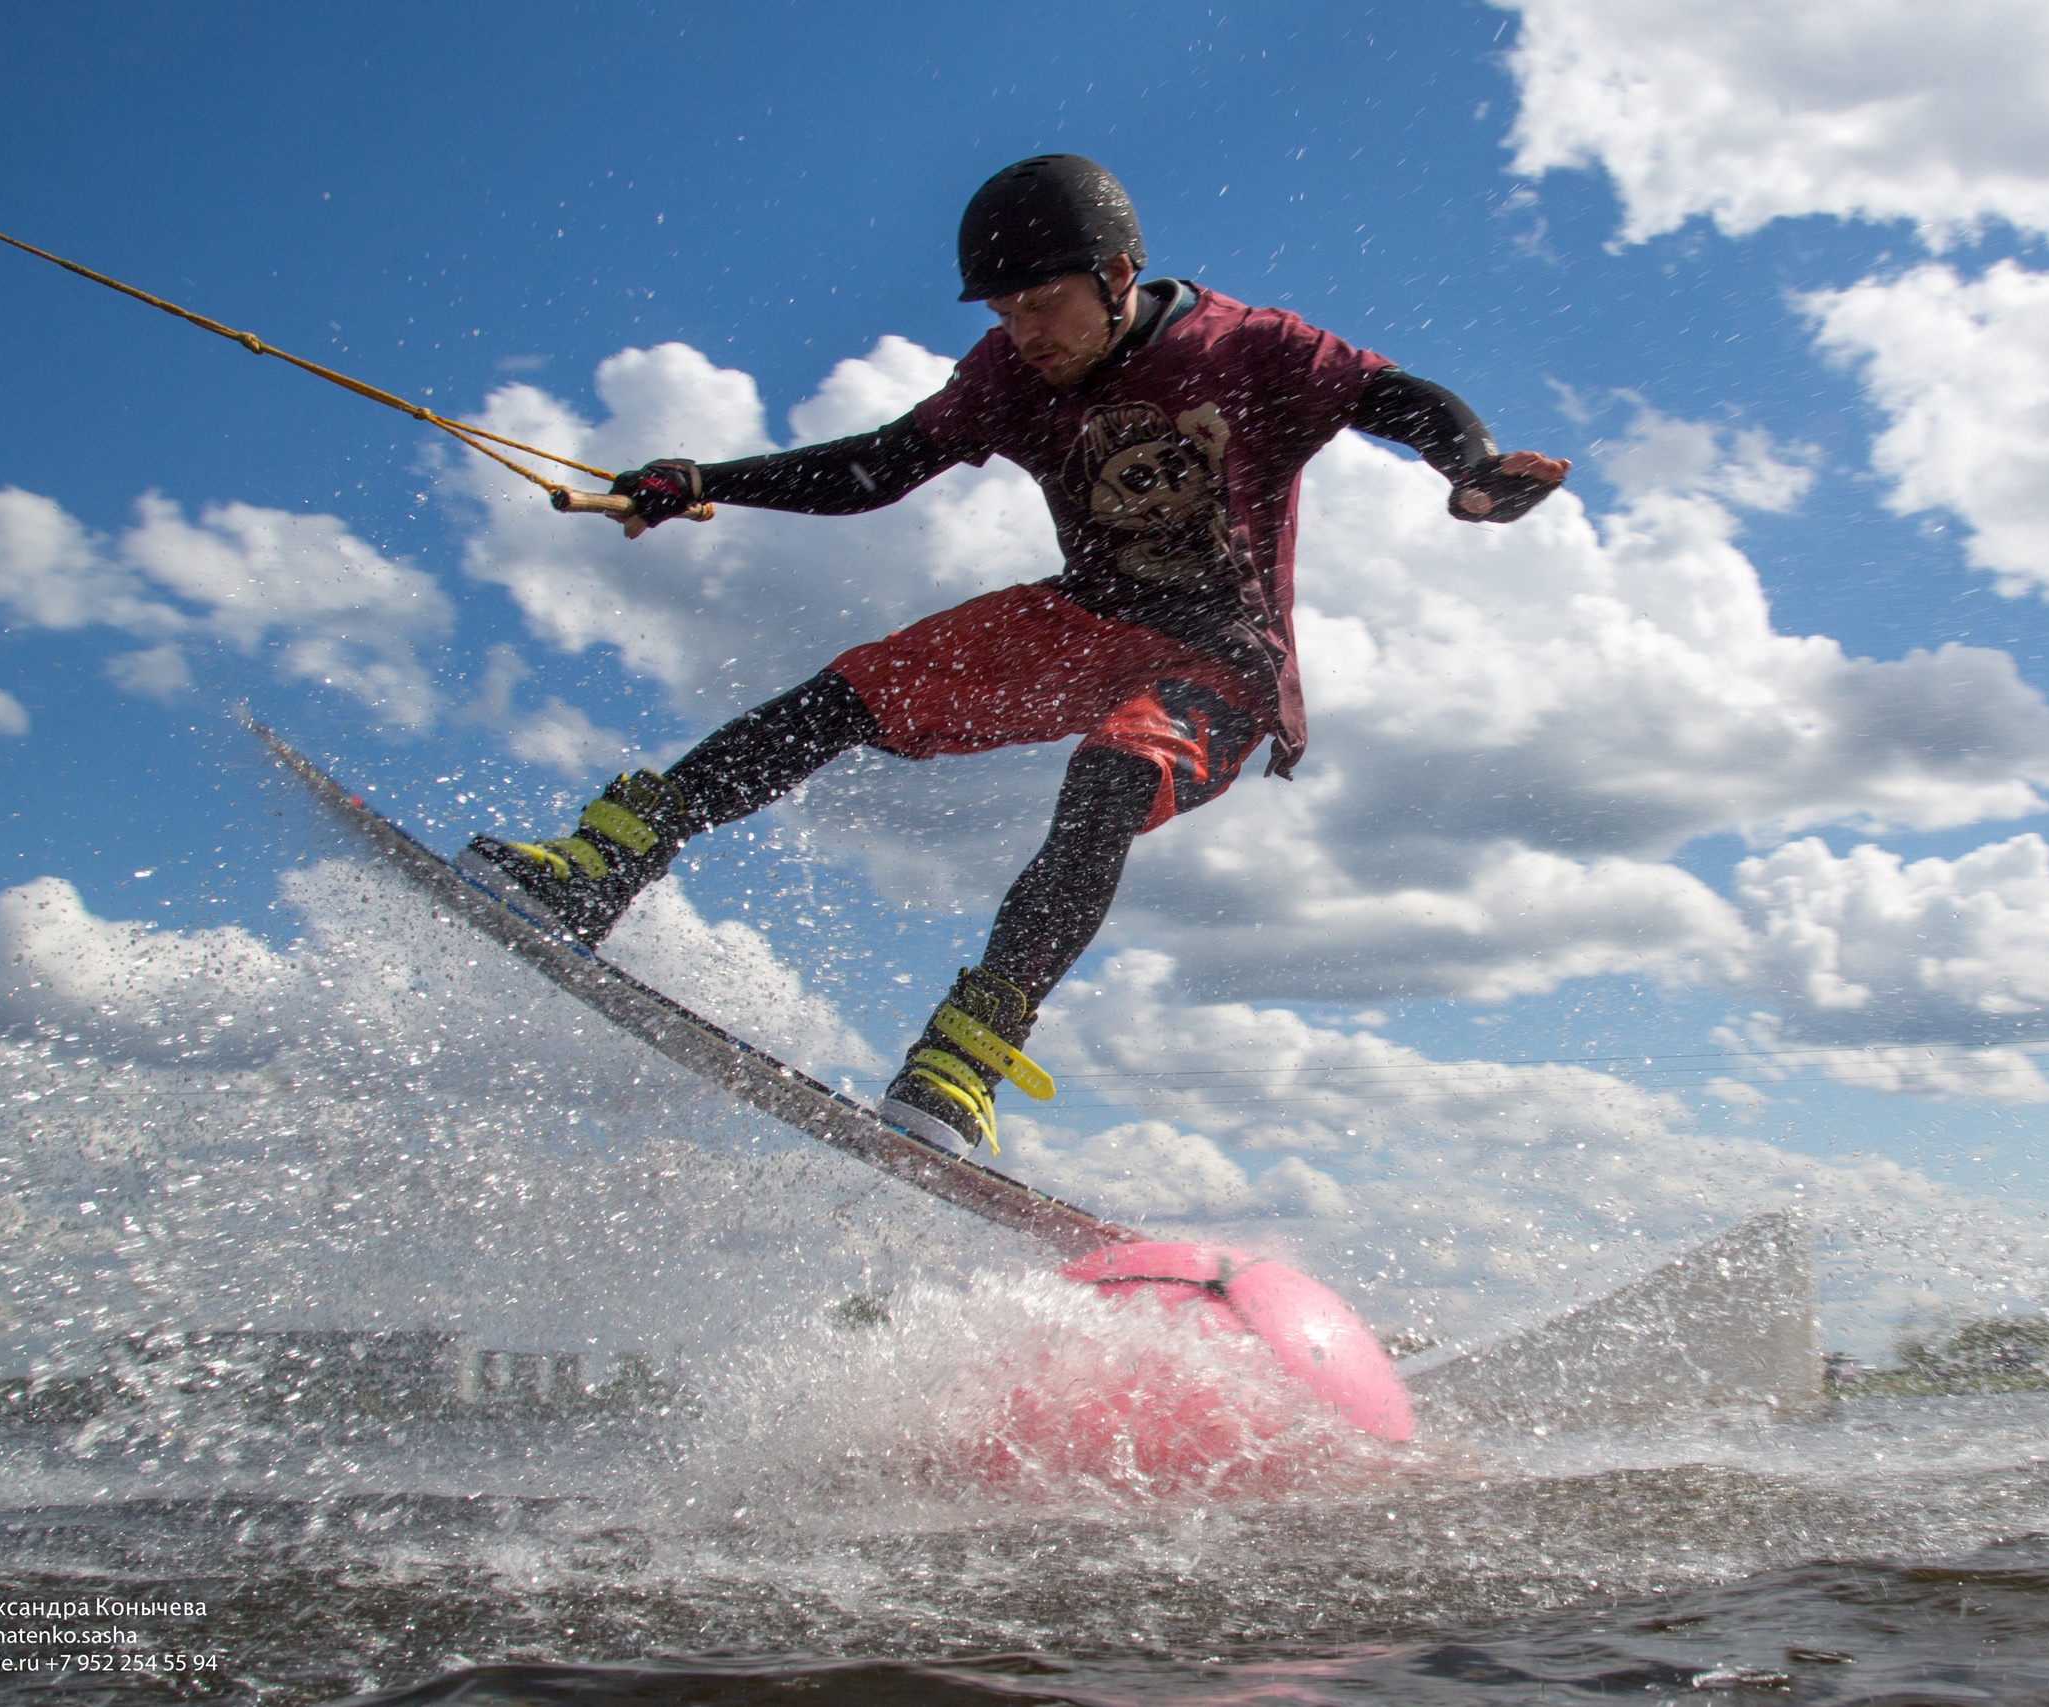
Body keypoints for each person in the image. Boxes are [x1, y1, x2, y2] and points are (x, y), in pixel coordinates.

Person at [462, 155, 1569, 1156]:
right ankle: (607, 863)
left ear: (1119, 274)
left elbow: (1395, 397)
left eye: (1044, 303)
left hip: (1221, 659)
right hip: (1085, 617)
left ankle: (970, 1049)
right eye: (1004, 310)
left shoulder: (1250, 346)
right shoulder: (1005, 374)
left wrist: (1470, 467)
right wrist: (704, 479)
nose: (1025, 331)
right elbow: (877, 467)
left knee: (1114, 772)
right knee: (859, 684)